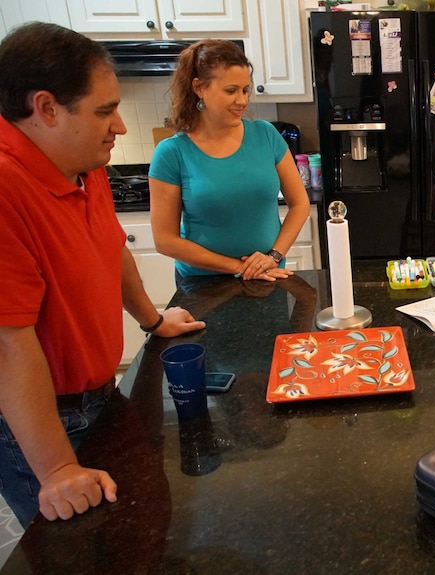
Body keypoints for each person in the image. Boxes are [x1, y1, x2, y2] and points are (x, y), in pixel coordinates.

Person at [0, 22, 206, 526]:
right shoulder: (5, 187)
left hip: (99, 397)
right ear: (46, 108)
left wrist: (153, 320)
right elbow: (7, 342)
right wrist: (57, 469)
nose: (119, 126)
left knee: (140, 527)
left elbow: (110, 249)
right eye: (104, 110)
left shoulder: (82, 161)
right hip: (44, 421)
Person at [149, 40, 310, 283]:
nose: (242, 101)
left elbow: (300, 204)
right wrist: (239, 267)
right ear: (199, 88)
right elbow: (165, 240)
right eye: (231, 90)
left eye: (245, 90)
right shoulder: (172, 152)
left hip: (269, 273)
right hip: (203, 284)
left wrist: (274, 257)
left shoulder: (266, 135)